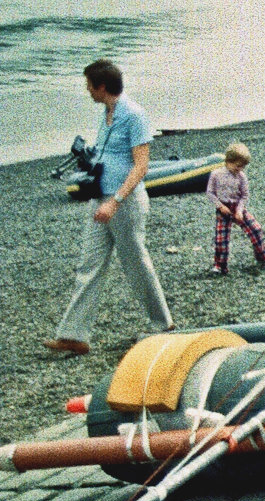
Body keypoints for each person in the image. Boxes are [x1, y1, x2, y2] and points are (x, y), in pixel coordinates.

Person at [45, 59, 173, 353]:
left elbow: (141, 166)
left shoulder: (134, 115)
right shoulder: (106, 113)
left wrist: (115, 201)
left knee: (135, 262)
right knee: (88, 264)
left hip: (124, 202)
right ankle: (74, 335)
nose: (87, 90)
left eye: (89, 85)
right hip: (101, 198)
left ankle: (162, 323)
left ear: (102, 86)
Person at [206, 142, 265, 275]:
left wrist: (239, 210)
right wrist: (220, 206)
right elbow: (210, 193)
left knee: (255, 229)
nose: (240, 169)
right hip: (223, 209)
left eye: (243, 166)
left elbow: (244, 195)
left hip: (237, 207)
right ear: (228, 161)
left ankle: (262, 255)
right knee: (221, 239)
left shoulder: (242, 176)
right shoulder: (215, 174)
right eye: (238, 166)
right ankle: (220, 265)